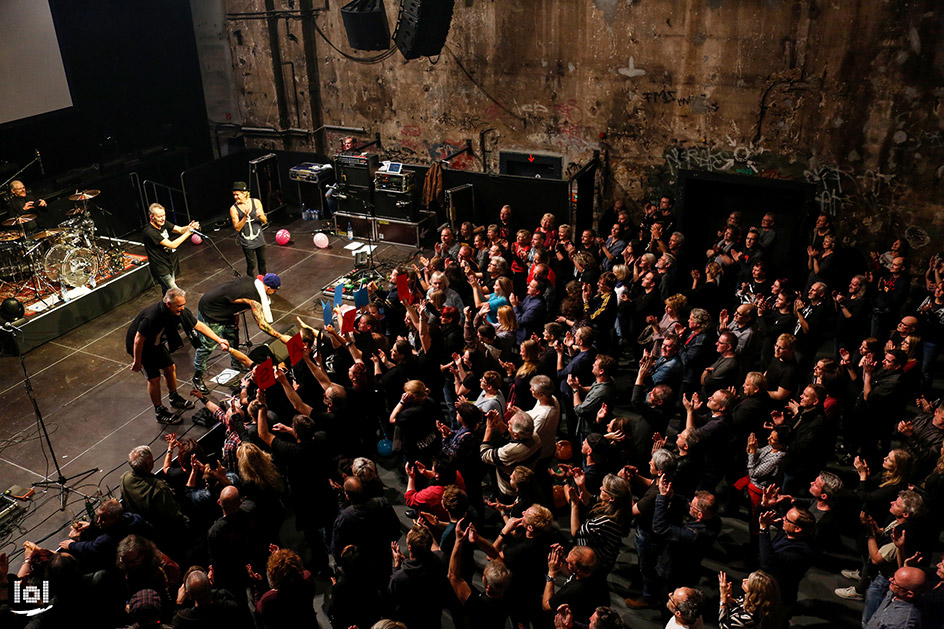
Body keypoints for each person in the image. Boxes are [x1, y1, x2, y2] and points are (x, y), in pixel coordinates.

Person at [127, 288, 230, 424]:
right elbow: (138, 339)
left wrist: (219, 339)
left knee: (170, 368)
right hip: (142, 347)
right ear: (168, 304)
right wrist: (137, 361)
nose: (182, 308)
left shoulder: (180, 312)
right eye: (179, 305)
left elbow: (198, 325)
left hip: (156, 344)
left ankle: (174, 397)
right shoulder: (153, 316)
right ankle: (159, 411)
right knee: (154, 378)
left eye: (183, 305)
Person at [192, 273, 291, 393]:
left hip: (226, 311)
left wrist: (236, 314)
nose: (274, 294)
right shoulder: (254, 298)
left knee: (233, 336)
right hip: (212, 312)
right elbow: (262, 324)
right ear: (268, 288)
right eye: (274, 291)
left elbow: (234, 297)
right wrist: (280, 336)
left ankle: (236, 362)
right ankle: (197, 376)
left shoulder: (254, 281)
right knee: (208, 346)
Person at [142, 203, 200, 293]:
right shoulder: (150, 232)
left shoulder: (163, 224)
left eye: (164, 215)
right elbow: (172, 245)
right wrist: (189, 233)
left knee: (167, 295)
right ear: (151, 217)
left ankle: (164, 307)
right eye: (159, 216)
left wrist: (189, 227)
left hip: (168, 263)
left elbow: (180, 230)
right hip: (160, 268)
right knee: (177, 294)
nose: (163, 218)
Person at [230, 181, 268, 277]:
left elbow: (265, 221)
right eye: (234, 195)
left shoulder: (256, 202)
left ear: (244, 193)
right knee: (251, 264)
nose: (235, 197)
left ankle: (263, 282)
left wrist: (260, 216)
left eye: (237, 195)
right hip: (247, 241)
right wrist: (245, 217)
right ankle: (250, 282)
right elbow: (237, 228)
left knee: (262, 262)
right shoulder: (233, 209)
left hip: (259, 238)